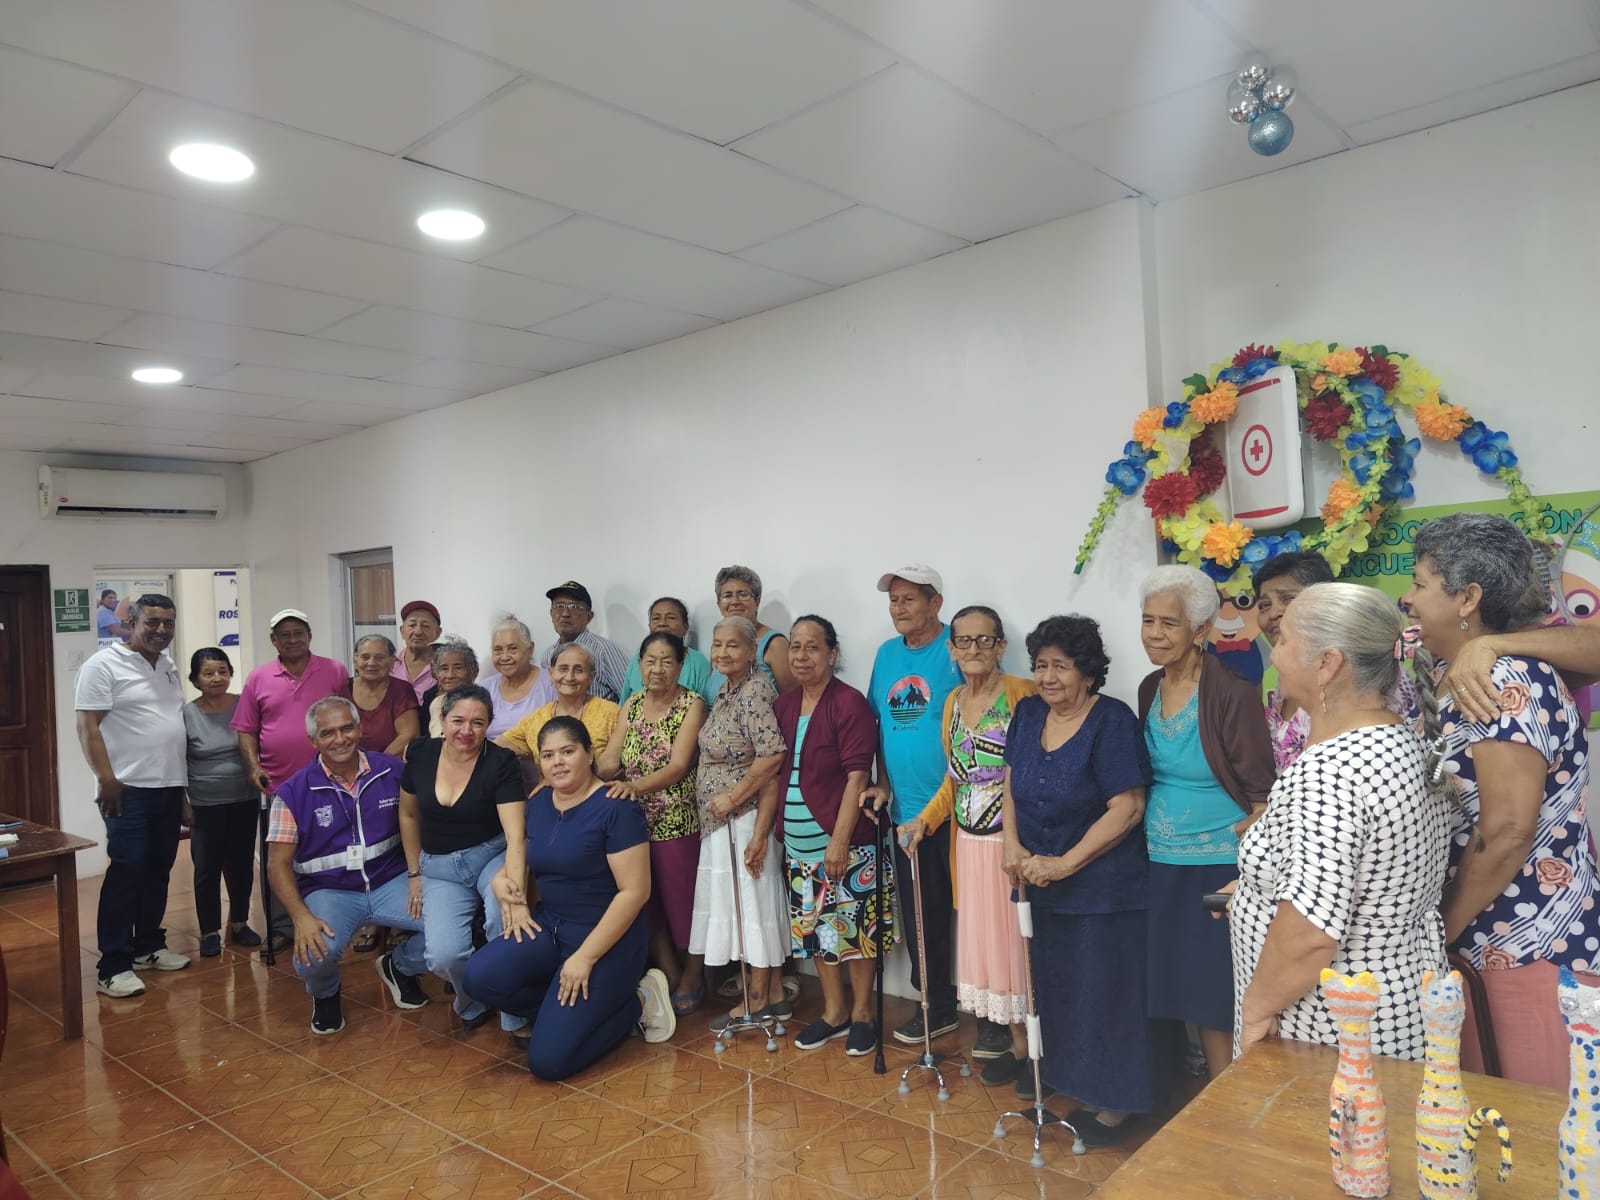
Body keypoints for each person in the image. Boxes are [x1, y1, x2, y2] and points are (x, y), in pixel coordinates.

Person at [1403, 512, 1600, 1089]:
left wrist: (1441, 931)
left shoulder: (1508, 679)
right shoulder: (1446, 672)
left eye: (1419, 583)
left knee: (1538, 1127)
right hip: (1482, 946)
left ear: (1468, 598)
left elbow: (1508, 831)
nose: (1407, 598)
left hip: (1524, 945)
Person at [1231, 583, 1452, 1060]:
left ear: (1327, 664)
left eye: (1284, 641)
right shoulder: (1401, 742)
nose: (1275, 654)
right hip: (1400, 1007)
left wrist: (1255, 1010)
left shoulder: (1329, 771)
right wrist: (1258, 893)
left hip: (1330, 1027)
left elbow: (1310, 933)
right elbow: (1370, 877)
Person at [1002, 615, 1154, 1145]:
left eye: (1061, 666)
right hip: (1039, 885)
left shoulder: (1111, 720)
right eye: (1041, 665)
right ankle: (1072, 1085)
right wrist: (1011, 844)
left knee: (1103, 995)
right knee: (1057, 992)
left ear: (1088, 673)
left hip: (1102, 889)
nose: (1048, 677)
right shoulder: (1028, 713)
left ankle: (1116, 1103)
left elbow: (1127, 807)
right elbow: (1010, 782)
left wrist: (1066, 863)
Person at [463, 718, 676, 1078]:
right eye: (548, 755)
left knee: (548, 1063)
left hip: (607, 942)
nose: (557, 762)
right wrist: (501, 881)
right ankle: (563, 1014)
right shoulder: (539, 803)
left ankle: (639, 1001)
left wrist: (585, 957)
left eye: (567, 751)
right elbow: (525, 856)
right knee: (479, 977)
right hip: (552, 927)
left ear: (589, 754)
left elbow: (636, 892)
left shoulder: (617, 808)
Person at [1136, 565, 1276, 1082]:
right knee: (1175, 984)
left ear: (1199, 630)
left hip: (1217, 866)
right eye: (1148, 621)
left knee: (1214, 992)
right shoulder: (1148, 688)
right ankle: (1198, 1093)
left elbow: (1261, 793)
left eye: (1168, 623)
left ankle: (1228, 1098)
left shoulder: (1231, 692)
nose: (1154, 634)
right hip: (1160, 861)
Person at [899, 606, 1037, 1084]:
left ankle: (1042, 1057)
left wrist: (1022, 842)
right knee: (992, 952)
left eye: (984, 640)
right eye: (964, 641)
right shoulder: (954, 701)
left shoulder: (1022, 694)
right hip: (969, 848)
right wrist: (924, 820)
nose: (974, 649)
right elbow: (953, 779)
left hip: (1010, 845)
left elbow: (1035, 770)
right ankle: (1018, 1048)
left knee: (1020, 950)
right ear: (951, 649)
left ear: (1001, 646)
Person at [265, 697, 430, 1034]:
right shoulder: (292, 793)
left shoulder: (391, 771)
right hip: (330, 892)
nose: (340, 739)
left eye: (346, 728)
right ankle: (326, 993)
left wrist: (417, 874)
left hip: (391, 880)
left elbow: (419, 822)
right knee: (313, 953)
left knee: (450, 928)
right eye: (327, 733)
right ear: (313, 740)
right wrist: (300, 917)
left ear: (360, 728)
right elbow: (276, 866)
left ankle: (399, 966)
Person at [774, 616, 890, 1056]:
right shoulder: (785, 705)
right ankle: (834, 1011)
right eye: (795, 647)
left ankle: (862, 1014)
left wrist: (838, 842)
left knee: (856, 931)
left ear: (832, 654)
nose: (802, 656)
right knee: (818, 931)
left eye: (812, 647)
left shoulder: (848, 703)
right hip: (798, 846)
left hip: (846, 842)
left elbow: (857, 775)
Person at [862, 563, 964, 1045]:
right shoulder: (886, 654)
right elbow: (878, 724)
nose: (898, 608)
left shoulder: (957, 649)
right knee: (924, 914)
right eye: (893, 600)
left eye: (908, 599)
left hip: (958, 812)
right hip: (907, 815)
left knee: (972, 915)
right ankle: (936, 1005)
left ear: (935, 602)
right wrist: (882, 783)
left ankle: (990, 1015)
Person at [75, 593, 190, 998]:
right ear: (132, 623)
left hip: (168, 787)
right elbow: (87, 727)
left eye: (168, 623)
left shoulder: (168, 666)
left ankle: (148, 947)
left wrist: (183, 792)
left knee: (158, 869)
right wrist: (106, 779)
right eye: (152, 622)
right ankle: (113, 965)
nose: (161, 630)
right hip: (127, 789)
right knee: (127, 872)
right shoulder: (102, 665)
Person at [398, 683, 526, 1031]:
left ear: (489, 725)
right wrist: (414, 874)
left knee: (503, 920)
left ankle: (513, 1009)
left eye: (477, 723)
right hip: (438, 867)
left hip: (491, 857)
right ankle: (472, 998)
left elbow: (515, 835)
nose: (466, 731)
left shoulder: (500, 761)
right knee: (443, 956)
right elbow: (407, 815)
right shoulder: (420, 753)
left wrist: (515, 894)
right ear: (442, 721)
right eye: (458, 721)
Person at [597, 631, 708, 1014]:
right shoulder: (632, 703)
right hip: (632, 822)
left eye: (666, 661)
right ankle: (670, 972)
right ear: (639, 664)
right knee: (644, 900)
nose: (657, 669)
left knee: (684, 902)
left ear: (680, 666)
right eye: (650, 660)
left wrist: (634, 786)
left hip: (677, 819)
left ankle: (694, 975)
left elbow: (679, 765)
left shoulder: (692, 705)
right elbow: (612, 757)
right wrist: (585, 774)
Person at [690, 616, 789, 1027]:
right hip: (723, 823)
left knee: (752, 908)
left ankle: (758, 999)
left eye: (733, 645)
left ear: (752, 652)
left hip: (744, 820)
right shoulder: (726, 690)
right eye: (717, 644)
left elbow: (772, 755)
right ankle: (773, 993)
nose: (722, 652)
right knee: (745, 907)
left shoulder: (754, 691)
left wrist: (734, 798)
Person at [233, 608, 349, 953]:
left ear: (310, 635)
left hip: (328, 782)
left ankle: (332, 916)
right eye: (284, 635)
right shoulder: (258, 677)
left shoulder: (334, 670)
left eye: (299, 633)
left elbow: (347, 719)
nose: (293, 639)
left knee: (328, 850)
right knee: (279, 858)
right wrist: (253, 767)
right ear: (274, 641)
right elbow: (246, 729)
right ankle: (283, 926)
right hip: (278, 786)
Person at [1253, 552, 1418, 770]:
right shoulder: (1287, 682)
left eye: (1288, 599)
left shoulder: (1370, 675)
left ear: (1327, 601)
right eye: (1264, 605)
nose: (1274, 612)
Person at [182, 648, 261, 958]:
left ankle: (240, 923)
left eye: (222, 671)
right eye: (208, 673)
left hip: (244, 798)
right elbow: (176, 763)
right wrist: (184, 803)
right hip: (205, 804)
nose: (217, 678)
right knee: (207, 867)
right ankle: (209, 931)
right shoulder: (187, 714)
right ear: (195, 680)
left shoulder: (245, 705)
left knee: (241, 864)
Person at [498, 643, 621, 788]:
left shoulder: (612, 713)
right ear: (551, 674)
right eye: (563, 669)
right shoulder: (535, 719)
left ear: (591, 677)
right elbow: (495, 747)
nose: (569, 677)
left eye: (579, 670)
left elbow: (616, 766)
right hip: (549, 797)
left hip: (598, 795)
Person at [705, 566, 797, 694]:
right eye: (727, 596)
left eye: (743, 595)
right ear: (719, 604)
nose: (735, 601)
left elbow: (792, 698)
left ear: (757, 601)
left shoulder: (775, 644)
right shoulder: (719, 644)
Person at [541, 581, 628, 703]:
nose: (565, 614)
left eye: (574, 607)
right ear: (551, 613)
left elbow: (632, 697)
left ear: (589, 617)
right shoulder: (548, 654)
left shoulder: (604, 651)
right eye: (559, 606)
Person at [620, 597, 715, 702]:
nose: (662, 623)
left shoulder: (698, 662)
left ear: (685, 627)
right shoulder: (638, 658)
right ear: (649, 626)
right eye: (656, 618)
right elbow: (623, 703)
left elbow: (706, 706)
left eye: (671, 618)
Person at [339, 635, 420, 756]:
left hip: (389, 763)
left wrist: (378, 762)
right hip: (349, 761)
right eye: (365, 657)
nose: (371, 663)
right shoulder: (342, 689)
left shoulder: (401, 690)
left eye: (379, 658)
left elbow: (409, 735)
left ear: (392, 662)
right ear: (355, 662)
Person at [480, 615, 556, 742]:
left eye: (512, 649)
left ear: (530, 649)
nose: (505, 657)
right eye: (498, 650)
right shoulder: (484, 689)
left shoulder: (551, 683)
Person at [420, 636, 478, 738]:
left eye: (458, 668)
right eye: (444, 668)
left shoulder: (480, 702)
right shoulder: (437, 702)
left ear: (473, 672)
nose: (450, 675)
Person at [394, 600, 441, 703]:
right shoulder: (390, 665)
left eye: (425, 626)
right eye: (412, 625)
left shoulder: (446, 666)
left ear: (437, 633)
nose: (418, 632)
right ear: (402, 631)